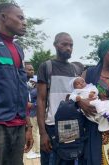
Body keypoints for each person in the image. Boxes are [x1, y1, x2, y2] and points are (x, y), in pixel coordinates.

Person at [0, 3, 33, 165]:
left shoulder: (18, 49)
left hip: (18, 124)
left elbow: (22, 87)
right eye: (20, 18)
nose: (24, 22)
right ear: (3, 17)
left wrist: (28, 125)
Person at [37, 32, 79, 164]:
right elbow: (41, 100)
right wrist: (43, 133)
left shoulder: (74, 69)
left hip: (71, 125)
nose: (68, 48)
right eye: (64, 44)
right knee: (50, 160)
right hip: (51, 126)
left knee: (69, 160)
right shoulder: (47, 66)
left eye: (71, 45)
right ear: (55, 45)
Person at [25, 64, 41, 159]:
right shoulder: (29, 84)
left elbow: (42, 99)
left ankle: (37, 151)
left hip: (35, 112)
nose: (32, 71)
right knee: (34, 131)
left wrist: (33, 105)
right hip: (30, 112)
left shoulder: (38, 86)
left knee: (35, 131)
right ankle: (34, 148)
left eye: (33, 69)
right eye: (29, 70)